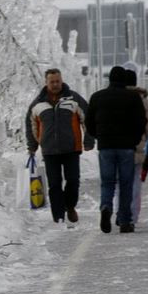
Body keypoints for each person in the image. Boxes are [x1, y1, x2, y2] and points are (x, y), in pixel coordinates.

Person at [25, 68, 94, 224]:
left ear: (61, 80)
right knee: (54, 184)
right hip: (49, 150)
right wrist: (33, 145)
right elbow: (31, 125)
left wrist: (88, 140)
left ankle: (70, 206)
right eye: (52, 82)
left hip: (71, 148)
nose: (55, 84)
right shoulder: (38, 103)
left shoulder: (73, 99)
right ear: (46, 82)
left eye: (58, 81)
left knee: (73, 180)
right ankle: (58, 217)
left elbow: (87, 118)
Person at [85, 66, 147, 234]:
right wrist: (134, 140)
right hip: (126, 147)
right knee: (126, 184)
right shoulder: (133, 97)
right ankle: (125, 221)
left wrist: (99, 136)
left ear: (110, 79)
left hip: (105, 146)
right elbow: (141, 121)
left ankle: (106, 206)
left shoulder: (97, 97)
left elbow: (89, 122)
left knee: (107, 182)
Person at [114, 69, 148, 227]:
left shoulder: (118, 98)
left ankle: (120, 212)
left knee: (120, 182)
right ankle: (132, 215)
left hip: (118, 145)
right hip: (138, 146)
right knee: (135, 183)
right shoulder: (142, 100)